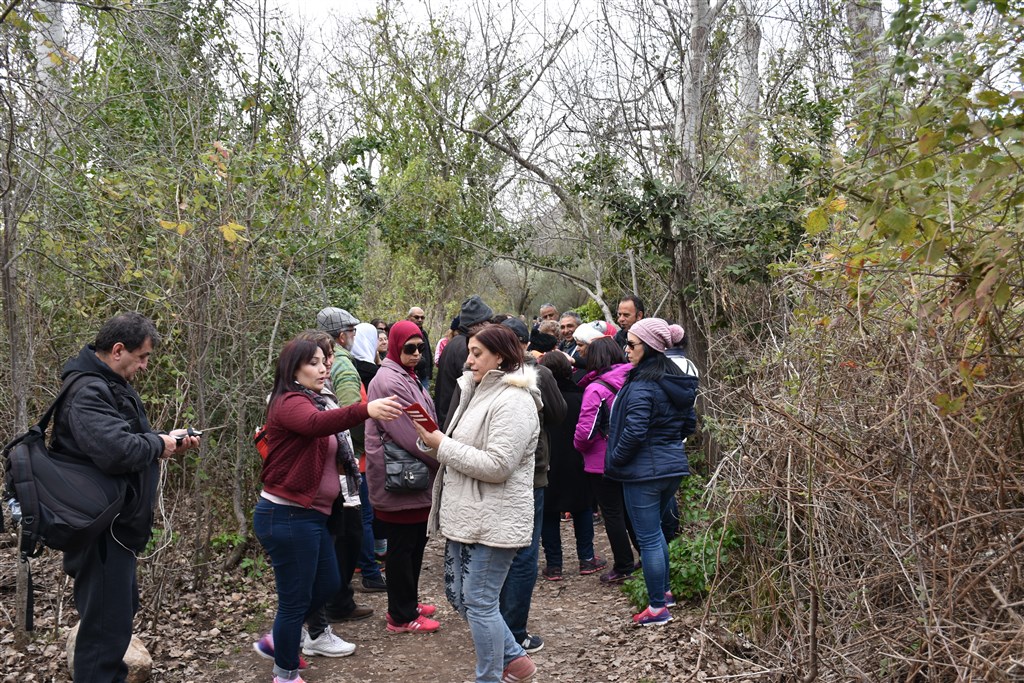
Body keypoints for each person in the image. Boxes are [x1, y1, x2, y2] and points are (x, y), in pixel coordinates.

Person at [52, 312, 200, 683]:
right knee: (104, 629)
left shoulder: (107, 384)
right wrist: (159, 443)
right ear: (118, 350)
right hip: (101, 530)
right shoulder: (88, 391)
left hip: (113, 527)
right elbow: (116, 451)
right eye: (142, 357)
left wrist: (166, 440)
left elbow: (124, 440)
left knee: (115, 617)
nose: (146, 365)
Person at [253, 336, 402, 682]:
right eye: (314, 363)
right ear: (294, 369)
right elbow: (316, 425)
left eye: (325, 361)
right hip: (286, 515)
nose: (323, 368)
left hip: (313, 515)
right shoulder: (289, 402)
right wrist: (366, 409)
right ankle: (285, 673)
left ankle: (280, 640)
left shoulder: (316, 400)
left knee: (329, 583)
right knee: (295, 600)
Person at [413, 324, 542, 683]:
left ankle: (490, 676)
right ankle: (516, 660)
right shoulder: (476, 389)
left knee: (481, 601)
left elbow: (498, 466)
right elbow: (457, 442)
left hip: (495, 519)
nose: (468, 360)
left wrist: (442, 445)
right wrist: (431, 439)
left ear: (500, 356)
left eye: (477, 353)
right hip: (467, 514)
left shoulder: (515, 400)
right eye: (469, 351)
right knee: (458, 596)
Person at [606, 319, 697, 626]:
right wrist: (669, 443)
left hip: (644, 472)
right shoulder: (676, 382)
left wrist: (616, 461)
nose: (626, 349)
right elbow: (689, 424)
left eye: (632, 344)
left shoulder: (644, 385)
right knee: (656, 533)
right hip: (671, 466)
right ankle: (664, 593)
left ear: (651, 348)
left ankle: (657, 608)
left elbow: (634, 431)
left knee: (647, 537)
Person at [365, 320, 442, 633]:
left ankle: (407, 601)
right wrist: (443, 457)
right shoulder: (389, 381)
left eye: (420, 348)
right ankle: (400, 614)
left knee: (412, 544)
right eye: (409, 348)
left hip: (411, 480)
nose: (416, 354)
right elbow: (412, 434)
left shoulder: (404, 375)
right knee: (401, 548)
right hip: (401, 481)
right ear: (396, 347)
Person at [498, 317, 566, 656]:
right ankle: (513, 631)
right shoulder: (538, 373)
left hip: (490, 473)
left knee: (496, 547)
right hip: (530, 471)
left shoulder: (483, 374)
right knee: (524, 551)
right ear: (526, 343)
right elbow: (557, 413)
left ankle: (492, 622)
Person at [573, 335, 639, 584]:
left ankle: (623, 565)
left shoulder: (596, 389)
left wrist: (578, 447)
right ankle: (646, 556)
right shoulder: (634, 379)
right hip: (632, 455)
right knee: (633, 511)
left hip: (602, 462)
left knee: (612, 514)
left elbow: (585, 432)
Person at [537, 351, 604, 581]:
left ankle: (554, 565)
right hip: (578, 460)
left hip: (548, 462)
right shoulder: (582, 396)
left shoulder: (539, 401)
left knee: (548, 512)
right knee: (583, 508)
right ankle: (586, 559)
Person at [434, 295, 493, 429]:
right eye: (489, 321)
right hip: (454, 419)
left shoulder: (456, 342)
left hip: (446, 414)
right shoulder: (467, 347)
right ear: (481, 323)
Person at [316, 307, 361, 407]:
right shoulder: (343, 365)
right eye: (352, 330)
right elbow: (351, 410)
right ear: (342, 337)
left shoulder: (312, 357)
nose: (354, 335)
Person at [406, 306, 434, 390]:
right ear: (409, 318)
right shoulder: (406, 333)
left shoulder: (423, 333)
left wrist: (429, 372)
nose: (420, 320)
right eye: (416, 317)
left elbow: (427, 353)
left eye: (422, 317)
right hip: (412, 375)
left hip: (424, 375)